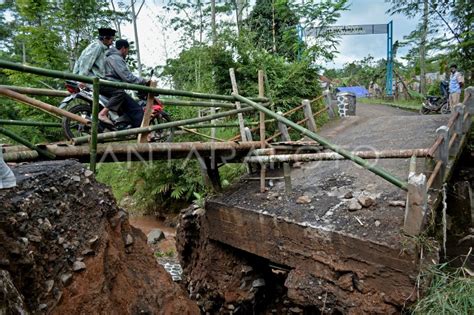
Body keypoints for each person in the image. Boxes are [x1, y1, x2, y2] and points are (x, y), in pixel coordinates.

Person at [100, 39, 148, 128]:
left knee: (127, 104)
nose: (127, 53)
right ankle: (143, 134)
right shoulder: (116, 58)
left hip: (108, 86)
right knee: (136, 109)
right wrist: (143, 81)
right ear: (123, 48)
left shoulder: (109, 57)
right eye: (127, 50)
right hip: (112, 86)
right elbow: (127, 77)